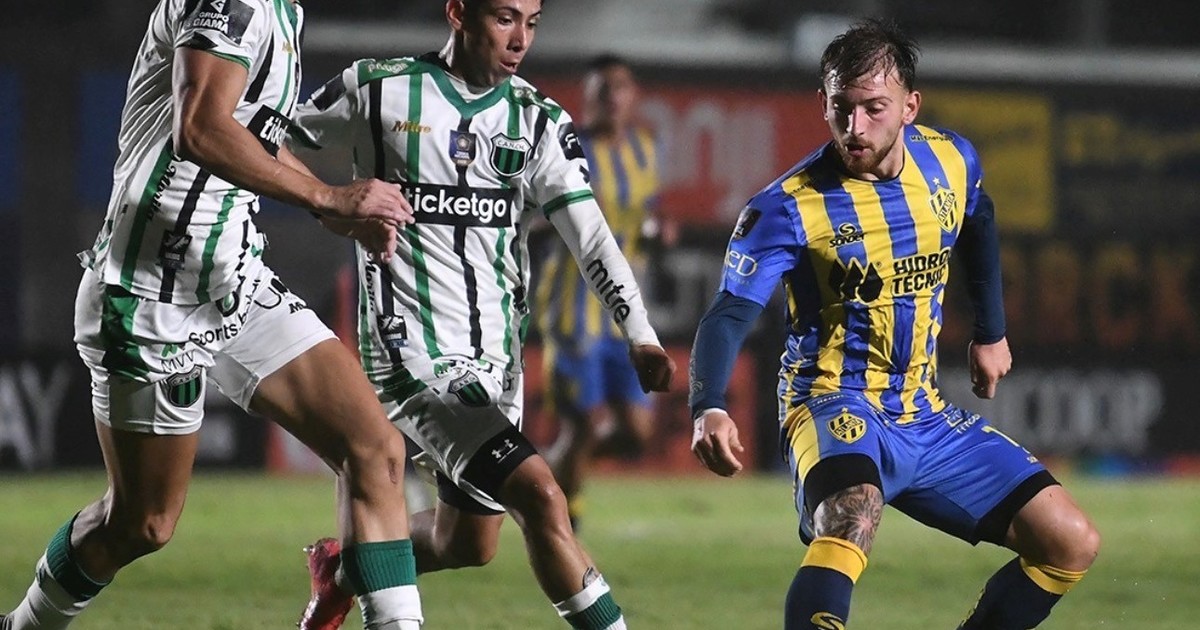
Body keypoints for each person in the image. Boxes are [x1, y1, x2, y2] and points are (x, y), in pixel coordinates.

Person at [0, 1, 426, 628]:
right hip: (150, 296)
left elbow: (251, 134)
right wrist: (328, 193)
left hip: (234, 283)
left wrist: (328, 209)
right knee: (142, 523)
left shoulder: (282, 11)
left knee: (374, 448)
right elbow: (199, 127)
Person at [687, 19, 1100, 630]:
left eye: (873, 108)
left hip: (922, 413)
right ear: (824, 104)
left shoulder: (951, 160)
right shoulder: (785, 207)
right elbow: (728, 313)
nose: (854, 127)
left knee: (1070, 541)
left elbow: (979, 221)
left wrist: (990, 331)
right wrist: (709, 405)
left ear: (910, 106)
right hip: (830, 401)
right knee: (852, 511)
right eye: (841, 108)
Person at [288, 1, 675, 629]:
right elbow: (262, 138)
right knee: (542, 495)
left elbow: (590, 236)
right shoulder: (379, 88)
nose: (520, 38)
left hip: (498, 362)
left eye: (532, 22)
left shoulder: (538, 119)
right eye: (504, 18)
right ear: (458, 13)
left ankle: (342, 568)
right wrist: (329, 202)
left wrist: (641, 334)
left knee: (468, 543)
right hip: (412, 352)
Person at [535, 54, 671, 529]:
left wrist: (658, 232)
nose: (613, 97)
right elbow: (536, 215)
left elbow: (648, 212)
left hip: (624, 312)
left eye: (621, 87)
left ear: (634, 96)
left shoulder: (645, 150)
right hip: (571, 308)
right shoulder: (567, 150)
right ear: (588, 97)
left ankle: (540, 476)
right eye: (603, 88)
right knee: (582, 424)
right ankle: (565, 520)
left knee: (637, 431)